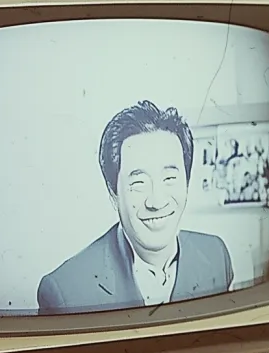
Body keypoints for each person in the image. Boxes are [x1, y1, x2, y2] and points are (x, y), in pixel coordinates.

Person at [38, 101, 234, 314]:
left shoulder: (216, 255)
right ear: (113, 193)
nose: (157, 202)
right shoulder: (65, 292)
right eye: (138, 183)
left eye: (169, 178)